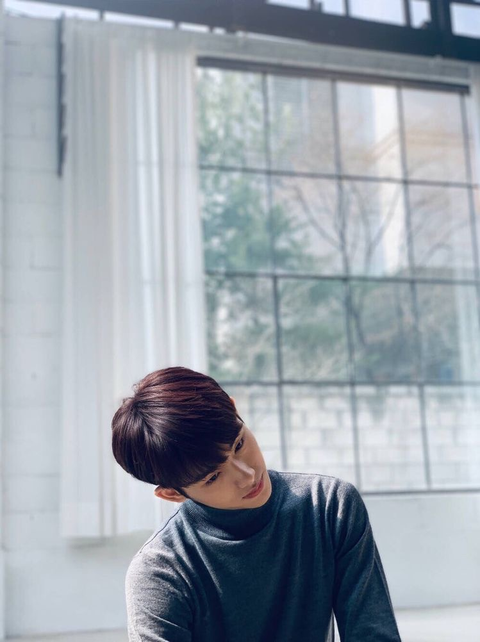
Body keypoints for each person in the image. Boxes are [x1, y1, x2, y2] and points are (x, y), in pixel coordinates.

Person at [112, 366, 402, 642]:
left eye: (239, 444)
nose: (247, 475)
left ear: (234, 409)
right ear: (172, 494)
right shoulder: (159, 573)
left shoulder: (328, 506)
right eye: (213, 477)